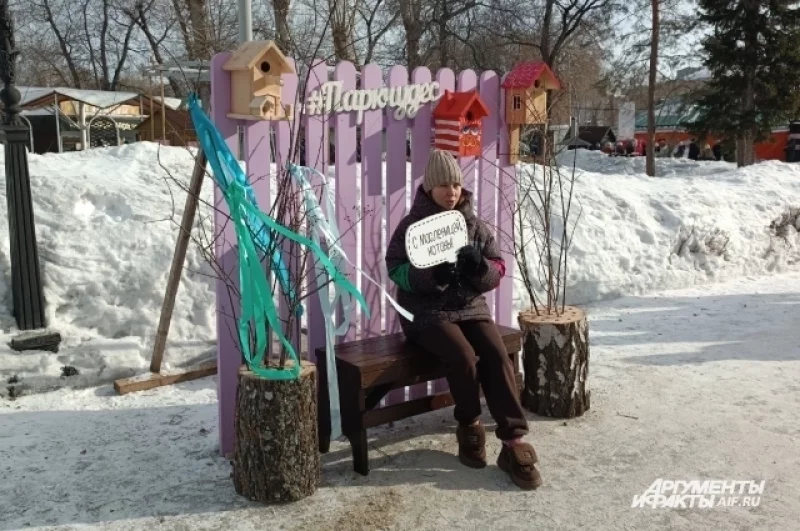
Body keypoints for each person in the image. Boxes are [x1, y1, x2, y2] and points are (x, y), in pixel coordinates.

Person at [385, 149, 542, 490]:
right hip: (427, 313)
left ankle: (513, 441)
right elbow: (395, 270)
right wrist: (430, 275)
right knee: (462, 356)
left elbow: (497, 267)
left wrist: (479, 267)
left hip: (469, 307)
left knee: (497, 354)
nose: (452, 191)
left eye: (456, 183)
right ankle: (469, 423)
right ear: (429, 188)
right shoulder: (412, 227)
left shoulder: (470, 222)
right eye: (443, 184)